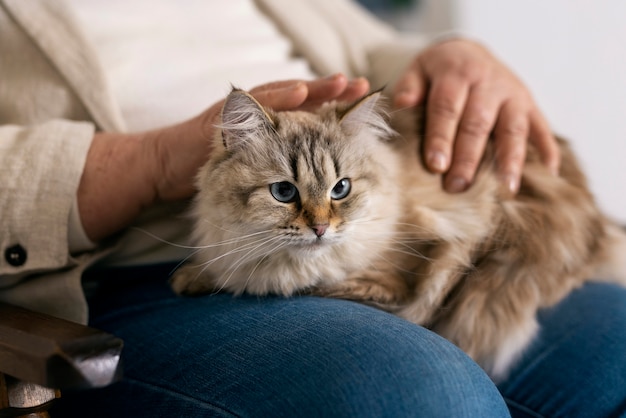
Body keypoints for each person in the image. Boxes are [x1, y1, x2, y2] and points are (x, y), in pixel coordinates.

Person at [0, 0, 624, 416]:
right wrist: (152, 160)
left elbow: (375, 51)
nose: (318, 218)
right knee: (420, 394)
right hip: (145, 272)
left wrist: (451, 56)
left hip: (357, 192)